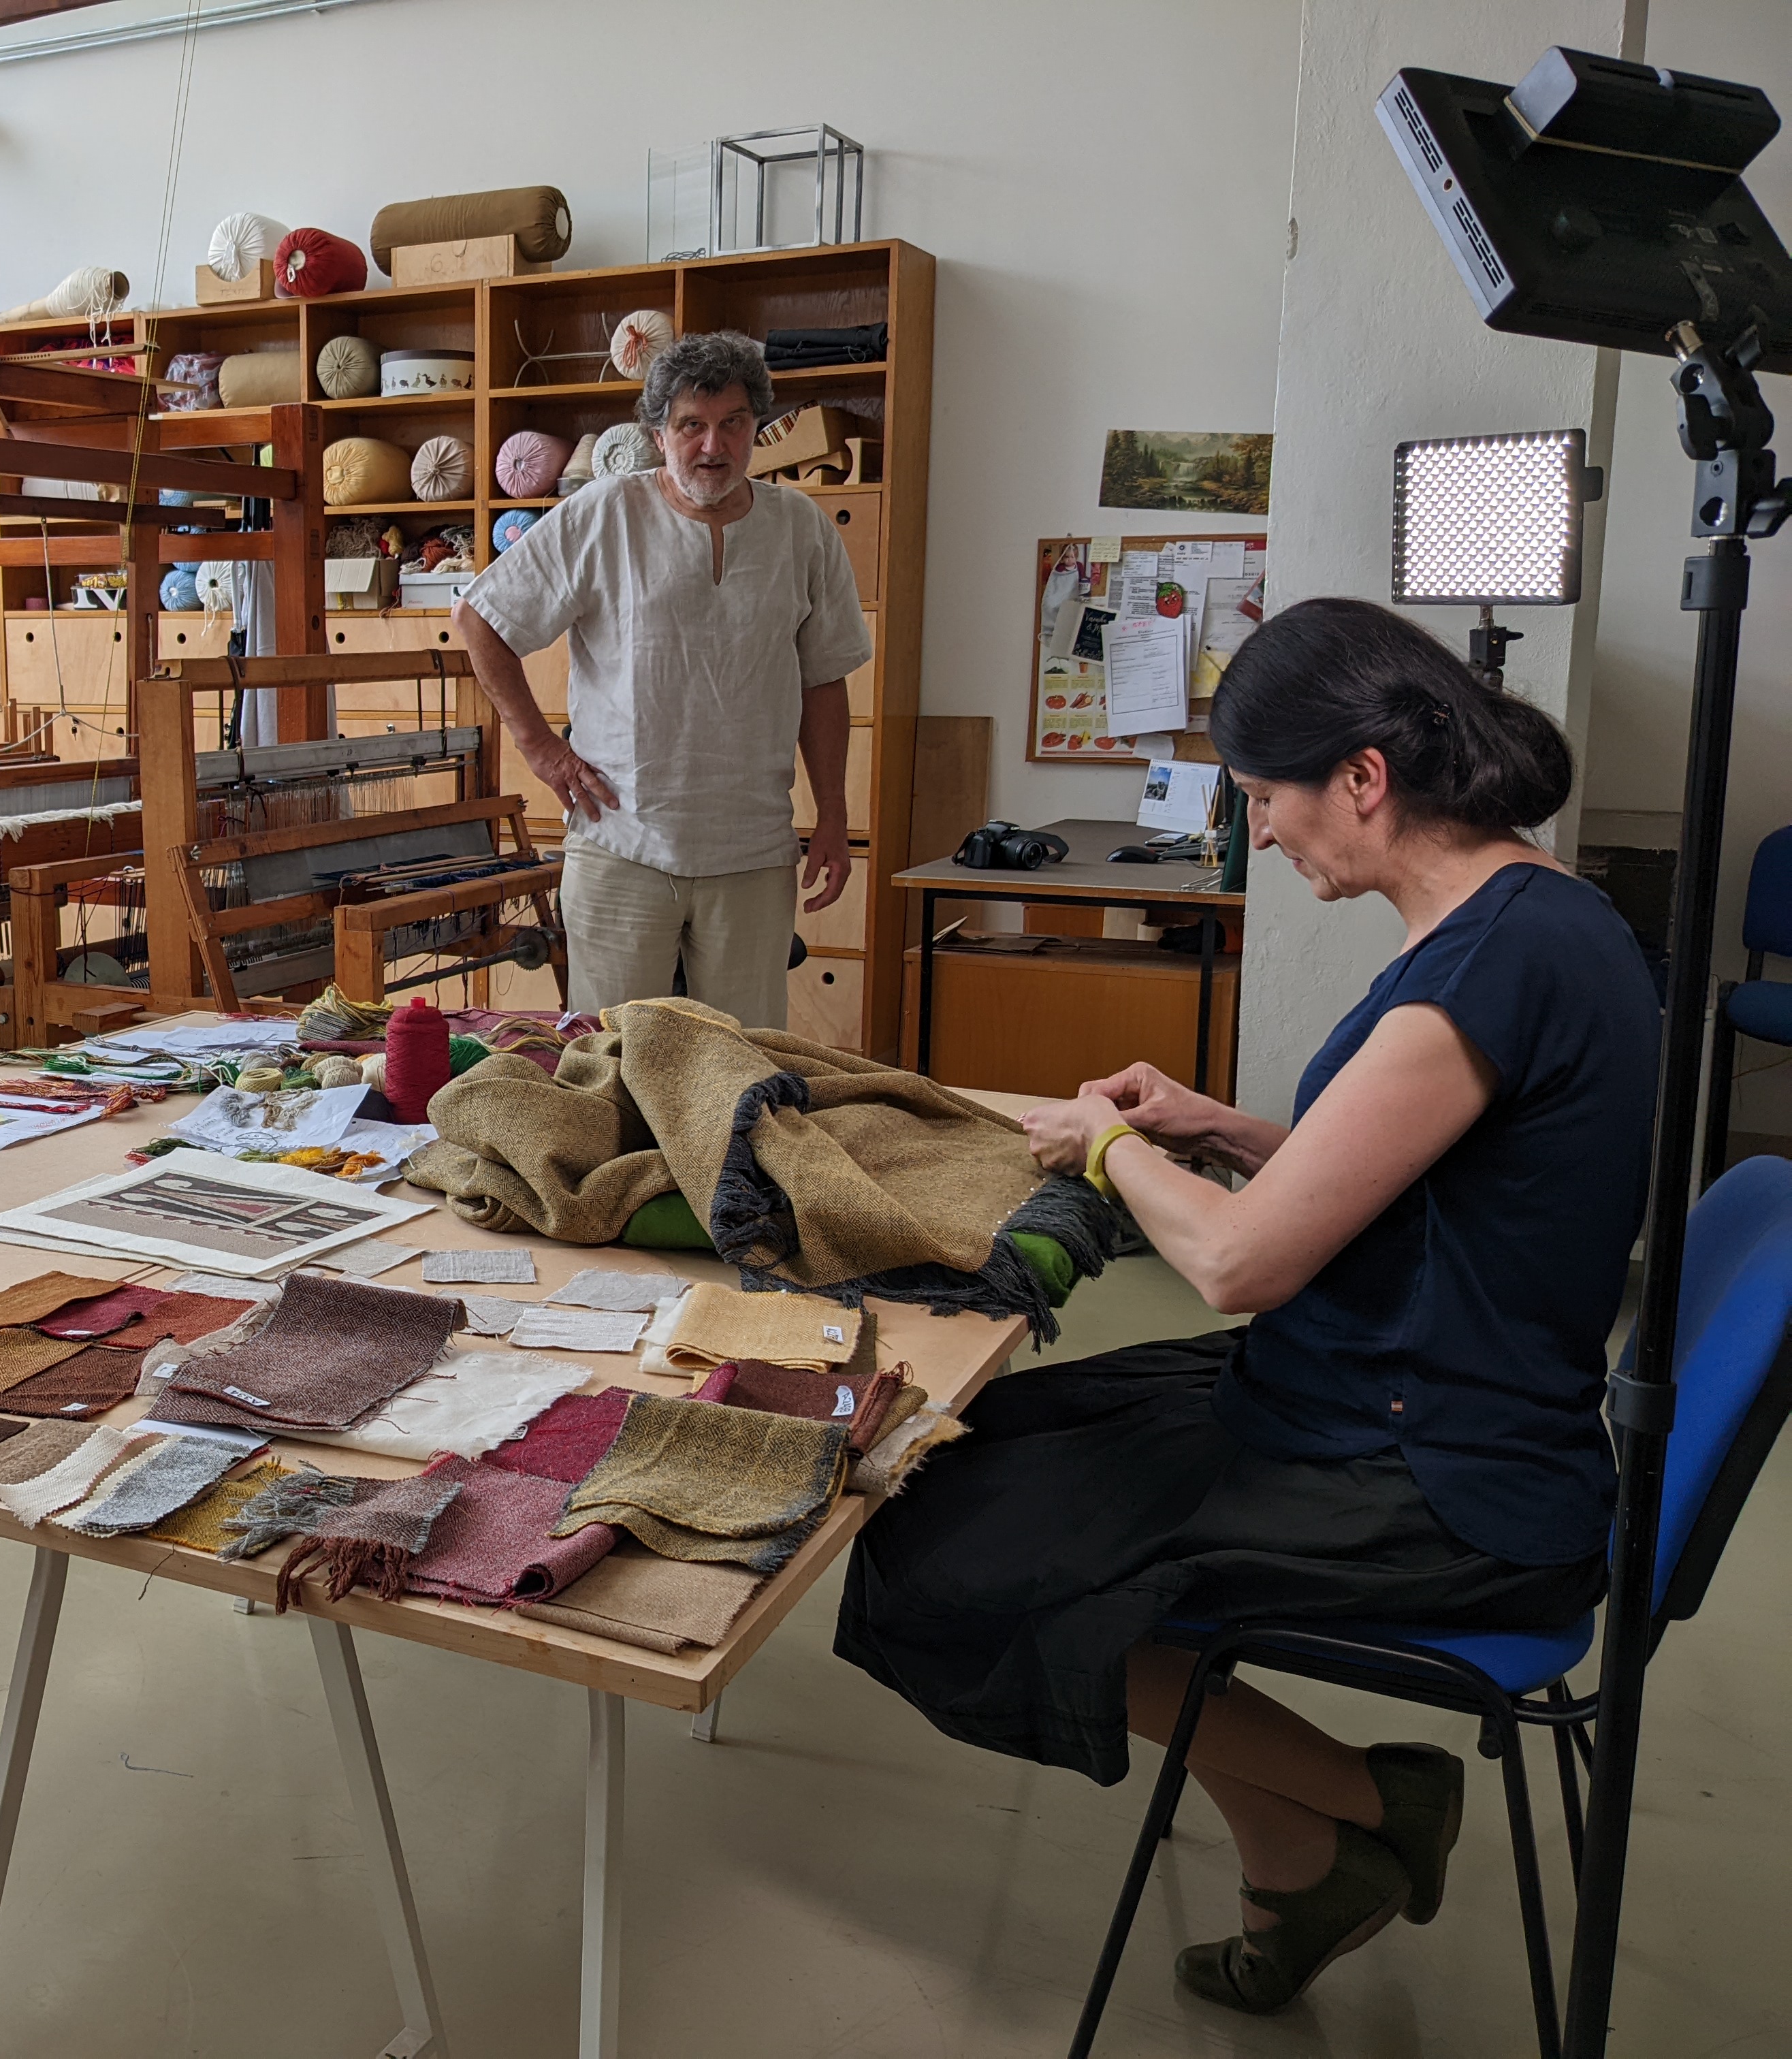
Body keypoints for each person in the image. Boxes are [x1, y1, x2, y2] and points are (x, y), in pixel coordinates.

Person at [834, 598, 1658, 2015]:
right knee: (973, 1449)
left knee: (945, 1544)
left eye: (1265, 798)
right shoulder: (1537, 915)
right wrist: (1219, 1126)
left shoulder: (1490, 962)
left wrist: (1109, 1148)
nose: (1261, 835)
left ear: (1363, 777)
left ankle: (1378, 1802)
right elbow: (1422, 1182)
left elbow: (1234, 1267)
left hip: (1439, 1467)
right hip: (1407, 1385)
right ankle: (1298, 1858)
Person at [455, 330, 869, 1029]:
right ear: (657, 434)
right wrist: (541, 748)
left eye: (733, 423)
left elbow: (824, 679)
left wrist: (833, 811)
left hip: (753, 851)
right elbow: (480, 618)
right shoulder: (605, 513)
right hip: (621, 843)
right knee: (615, 1060)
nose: (713, 446)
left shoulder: (801, 528)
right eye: (690, 426)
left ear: (756, 428)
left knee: (743, 1065)